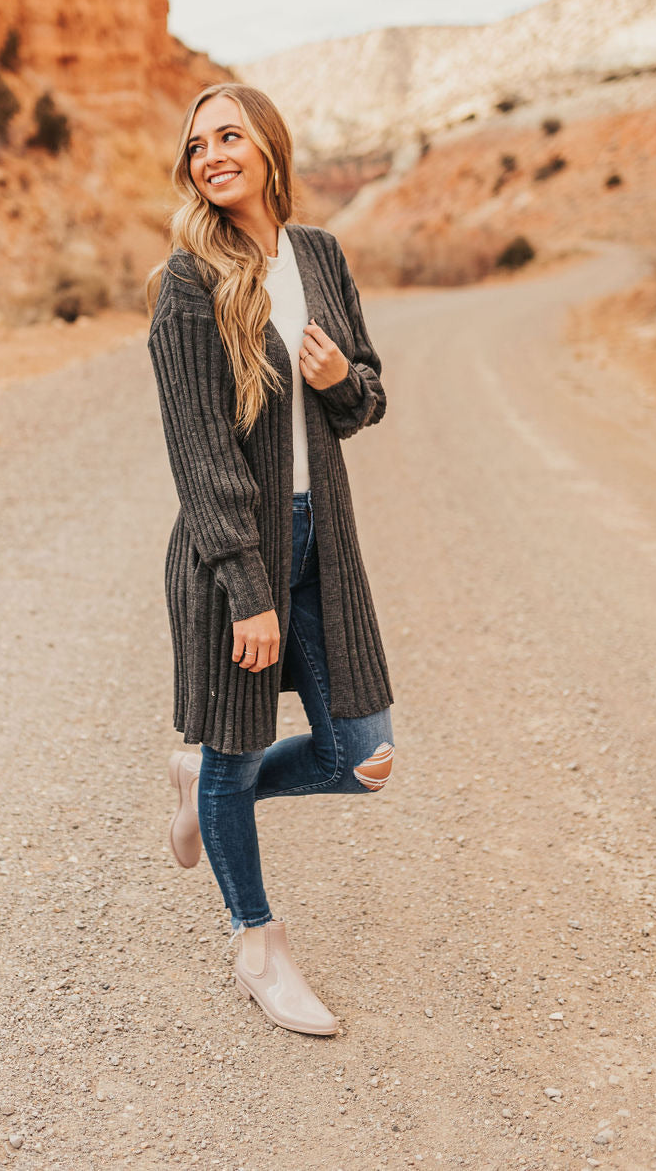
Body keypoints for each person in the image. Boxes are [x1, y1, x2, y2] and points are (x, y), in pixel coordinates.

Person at [145, 82, 395, 1037]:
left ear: (268, 148)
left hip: (321, 544)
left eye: (230, 136)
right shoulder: (187, 282)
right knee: (238, 746)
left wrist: (340, 380)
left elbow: (366, 399)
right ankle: (258, 943)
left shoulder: (321, 256)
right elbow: (200, 455)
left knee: (362, 755)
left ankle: (199, 777)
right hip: (235, 555)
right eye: (197, 142)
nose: (212, 154)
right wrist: (247, 590)